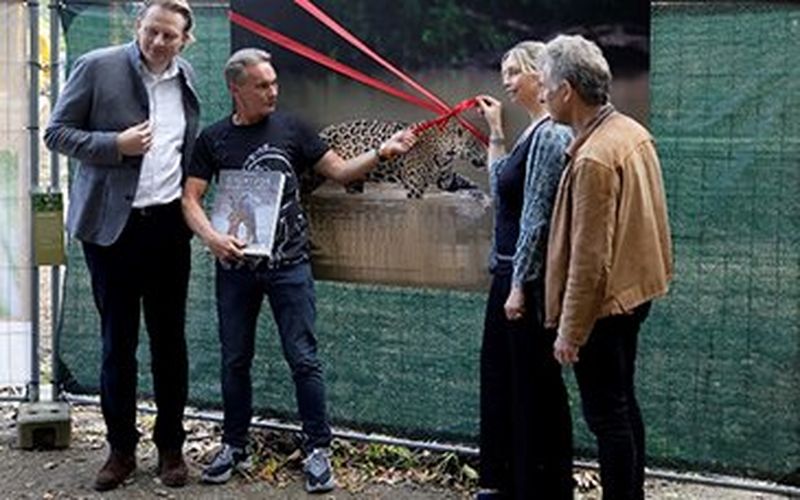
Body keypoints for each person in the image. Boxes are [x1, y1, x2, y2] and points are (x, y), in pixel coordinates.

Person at [181, 48, 417, 493]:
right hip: (235, 268)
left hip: (290, 267)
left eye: (274, 83)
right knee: (235, 360)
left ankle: (318, 450)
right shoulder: (213, 139)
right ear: (237, 89)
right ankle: (234, 445)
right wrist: (212, 238)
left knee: (304, 360)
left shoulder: (292, 127)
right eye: (263, 85)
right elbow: (189, 199)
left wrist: (382, 152)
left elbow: (342, 172)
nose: (273, 91)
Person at [43, 0, 198, 491]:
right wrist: (115, 145)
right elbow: (56, 133)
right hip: (113, 232)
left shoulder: (186, 77)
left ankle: (171, 448)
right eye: (152, 30)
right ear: (139, 26)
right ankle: (121, 450)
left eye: (169, 35)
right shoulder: (97, 66)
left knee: (170, 343)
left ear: (184, 40)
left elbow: (182, 146)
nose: (158, 42)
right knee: (118, 344)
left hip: (169, 229)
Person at [538, 34, 673, 500]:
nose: (541, 94)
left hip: (606, 308)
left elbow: (589, 258)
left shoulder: (595, 157)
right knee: (622, 405)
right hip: (635, 295)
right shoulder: (630, 132)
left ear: (567, 91)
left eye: (546, 85)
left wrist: (570, 331)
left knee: (607, 417)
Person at [473, 41, 574, 499]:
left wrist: (518, 286)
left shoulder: (553, 134)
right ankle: (504, 480)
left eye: (515, 72)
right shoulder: (533, 130)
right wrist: (496, 131)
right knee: (500, 377)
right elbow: (502, 190)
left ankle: (540, 486)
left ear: (540, 74)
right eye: (504, 73)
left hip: (527, 281)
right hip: (509, 274)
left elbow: (537, 218)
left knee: (533, 384)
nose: (507, 82)